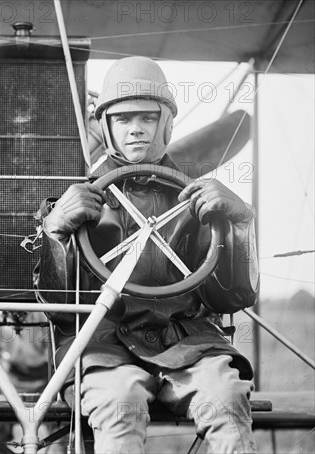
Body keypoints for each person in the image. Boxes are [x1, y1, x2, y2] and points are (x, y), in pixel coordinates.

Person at [34, 57, 259, 453]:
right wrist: (55, 231)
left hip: (189, 345)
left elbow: (232, 298)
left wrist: (240, 225)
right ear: (106, 127)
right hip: (104, 347)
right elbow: (56, 307)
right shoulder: (74, 204)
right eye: (122, 119)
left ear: (166, 123)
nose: (135, 128)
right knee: (119, 403)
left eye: (146, 118)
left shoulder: (199, 202)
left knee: (224, 395)